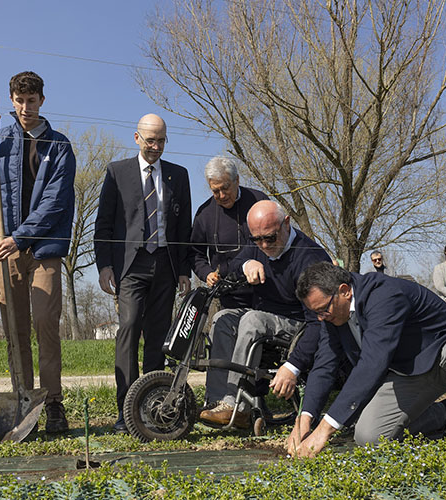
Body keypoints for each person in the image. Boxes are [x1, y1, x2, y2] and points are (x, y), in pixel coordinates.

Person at [286, 262, 446, 458]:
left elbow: (372, 363)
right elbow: (324, 363)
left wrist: (324, 430)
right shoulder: (332, 315)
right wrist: (305, 419)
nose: (320, 318)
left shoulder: (384, 294)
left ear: (344, 291)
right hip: (410, 372)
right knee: (369, 437)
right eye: (316, 313)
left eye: (323, 310)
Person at [0, 71, 76, 433]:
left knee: (45, 323)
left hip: (42, 247)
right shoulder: (1, 138)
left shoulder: (59, 146)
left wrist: (22, 237)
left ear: (42, 100)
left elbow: (56, 203)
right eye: (19, 100)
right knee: (15, 328)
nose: (25, 107)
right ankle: (24, 403)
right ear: (12, 101)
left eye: (32, 100)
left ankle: (53, 402)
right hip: (6, 246)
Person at [94, 113, 192, 433]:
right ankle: (125, 408)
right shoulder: (117, 172)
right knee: (129, 326)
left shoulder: (179, 176)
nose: (156, 147)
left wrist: (184, 270)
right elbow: (104, 224)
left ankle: (150, 408)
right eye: (150, 140)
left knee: (158, 336)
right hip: (130, 265)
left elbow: (183, 228)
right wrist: (105, 265)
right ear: (137, 138)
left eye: (161, 140)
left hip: (165, 264)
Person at [198, 200, 331, 428]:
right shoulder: (258, 245)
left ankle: (238, 407)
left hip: (298, 322)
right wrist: (247, 263)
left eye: (270, 237)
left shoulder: (309, 258)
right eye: (256, 239)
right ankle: (216, 401)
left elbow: (319, 322)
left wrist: (294, 364)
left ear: (286, 223)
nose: (264, 245)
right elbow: (234, 264)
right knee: (223, 318)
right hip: (264, 315)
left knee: (252, 320)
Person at [190, 156, 268, 308]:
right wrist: (206, 273)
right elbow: (195, 253)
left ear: (237, 180)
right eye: (215, 191)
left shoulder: (259, 201)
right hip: (230, 296)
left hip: (266, 289)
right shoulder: (204, 214)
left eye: (225, 188)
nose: (222, 196)